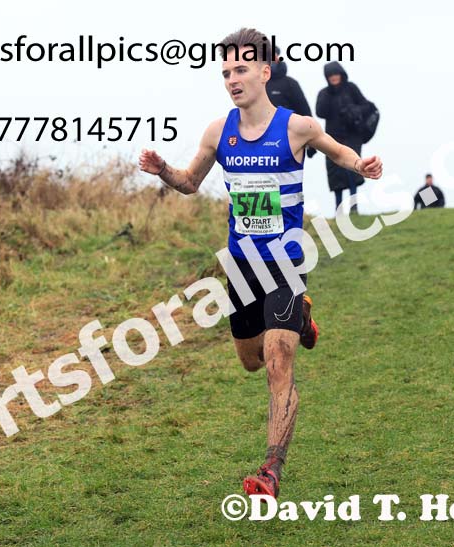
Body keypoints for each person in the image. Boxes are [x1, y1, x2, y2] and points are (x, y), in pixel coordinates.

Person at [139, 28, 383, 499]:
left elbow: (338, 150)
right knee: (251, 362)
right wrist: (163, 169)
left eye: (241, 69)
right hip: (242, 267)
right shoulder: (218, 132)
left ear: (264, 72)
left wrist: (361, 166)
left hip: (287, 263)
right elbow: (190, 182)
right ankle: (305, 319)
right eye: (226, 71)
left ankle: (271, 470)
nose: (232, 79)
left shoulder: (298, 128)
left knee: (277, 361)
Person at [316, 61, 376, 213]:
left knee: (353, 169)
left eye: (336, 74)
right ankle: (338, 208)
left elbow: (367, 105)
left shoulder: (351, 88)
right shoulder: (324, 93)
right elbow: (320, 112)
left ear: (341, 74)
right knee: (335, 173)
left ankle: (354, 206)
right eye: (330, 75)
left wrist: (352, 110)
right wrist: (330, 95)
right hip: (332, 138)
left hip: (352, 136)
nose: (334, 77)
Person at [266, 47, 317, 159]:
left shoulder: (291, 83)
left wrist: (311, 141)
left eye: (273, 56)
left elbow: (304, 111)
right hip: (263, 137)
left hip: (290, 136)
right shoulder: (257, 84)